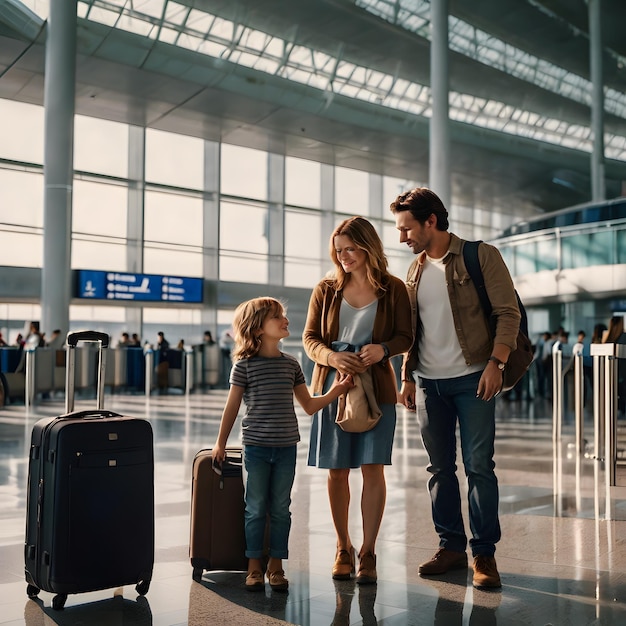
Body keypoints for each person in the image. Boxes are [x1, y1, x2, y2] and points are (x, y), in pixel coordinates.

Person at [390, 187, 522, 590]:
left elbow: (507, 312)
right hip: (430, 384)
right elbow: (412, 331)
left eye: (406, 228)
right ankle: (450, 546)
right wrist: (407, 375)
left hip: (474, 377)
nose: (402, 237)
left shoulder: (481, 256)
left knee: (480, 467)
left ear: (431, 220)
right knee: (440, 469)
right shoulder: (413, 271)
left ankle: (484, 553)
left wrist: (496, 363)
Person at [212, 297, 353, 592]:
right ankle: (254, 565)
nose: (285, 320)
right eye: (277, 316)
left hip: (286, 446)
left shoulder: (291, 364)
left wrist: (337, 390)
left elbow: (309, 406)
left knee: (280, 508)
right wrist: (220, 443)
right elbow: (232, 407)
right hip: (256, 448)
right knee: (254, 507)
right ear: (258, 328)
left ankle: (276, 565)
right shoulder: (244, 365)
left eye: (284, 315)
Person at [303, 216, 413, 585]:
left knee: (372, 469)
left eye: (350, 248)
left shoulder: (393, 288)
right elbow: (309, 338)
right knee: (337, 471)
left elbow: (405, 337)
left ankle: (368, 552)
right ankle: (342, 547)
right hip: (334, 388)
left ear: (368, 246)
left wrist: (382, 350)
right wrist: (332, 357)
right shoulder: (326, 289)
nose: (344, 256)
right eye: (339, 251)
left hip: (377, 391)